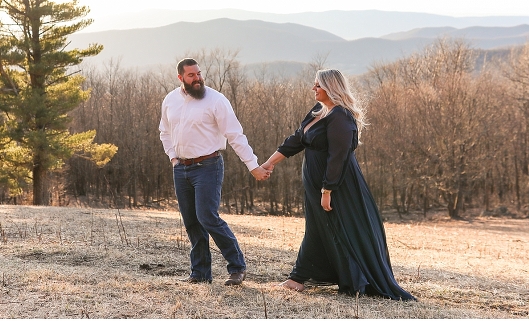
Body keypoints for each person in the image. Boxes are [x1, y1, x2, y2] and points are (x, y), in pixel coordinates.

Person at [261, 68, 415, 301]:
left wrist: (327, 190)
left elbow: (338, 157)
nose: (314, 88)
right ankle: (298, 279)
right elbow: (296, 139)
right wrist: (269, 163)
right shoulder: (318, 112)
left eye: (318, 85)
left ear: (331, 87)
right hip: (315, 185)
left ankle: (354, 280)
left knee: (341, 230)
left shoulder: (341, 117)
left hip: (337, 187)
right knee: (317, 228)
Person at [160, 58, 271, 286]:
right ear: (180, 78)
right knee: (191, 221)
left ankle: (237, 267)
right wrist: (173, 157)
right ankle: (200, 273)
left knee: (207, 217)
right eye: (191, 75)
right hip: (181, 168)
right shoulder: (170, 100)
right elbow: (164, 131)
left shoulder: (216, 100)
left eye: (199, 73)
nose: (197, 78)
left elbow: (235, 135)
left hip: (208, 167)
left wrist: (253, 166)